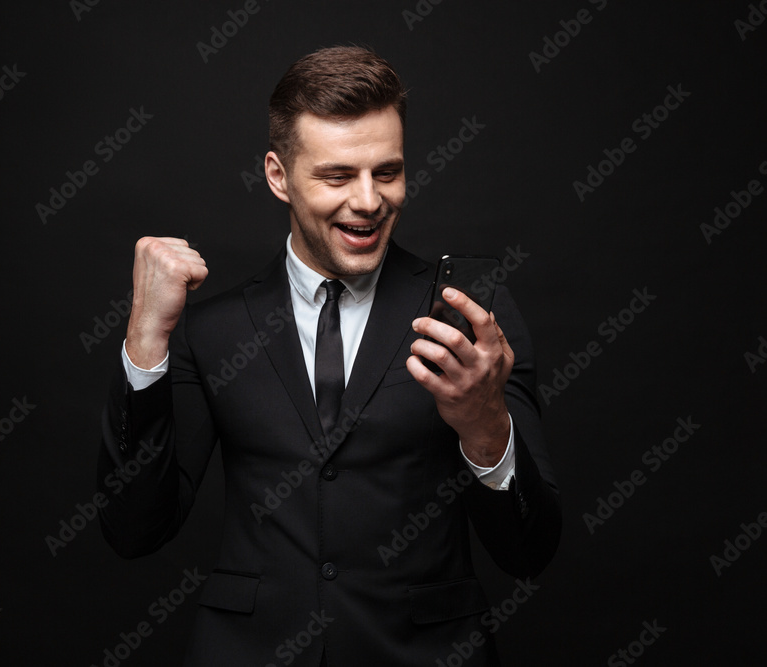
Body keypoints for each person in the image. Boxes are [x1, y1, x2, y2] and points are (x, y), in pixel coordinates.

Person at [98, 45, 561, 666]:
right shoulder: (214, 331)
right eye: (337, 176)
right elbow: (134, 530)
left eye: (387, 172)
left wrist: (484, 427)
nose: (369, 201)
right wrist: (144, 340)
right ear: (278, 176)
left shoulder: (470, 317)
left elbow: (529, 551)